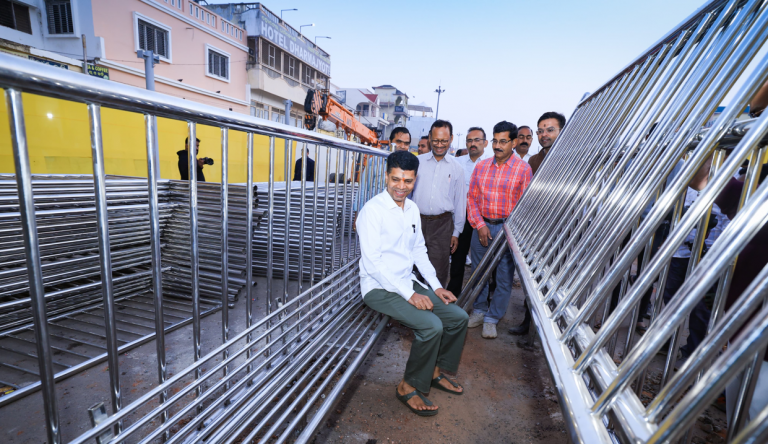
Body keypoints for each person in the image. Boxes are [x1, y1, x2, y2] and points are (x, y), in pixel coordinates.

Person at [356, 150, 468, 416]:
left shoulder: (412, 208)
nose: (401, 187)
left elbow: (419, 251)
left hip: (407, 281)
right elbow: (374, 264)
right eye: (395, 179)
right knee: (431, 326)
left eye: (407, 181)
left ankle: (434, 371)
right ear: (386, 176)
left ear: (415, 179)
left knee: (458, 318)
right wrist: (410, 294)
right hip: (378, 287)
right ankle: (408, 386)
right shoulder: (372, 211)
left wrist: (436, 286)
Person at [467, 121, 532, 339]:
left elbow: (524, 207)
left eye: (503, 141)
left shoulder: (523, 169)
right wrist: (480, 225)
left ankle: (492, 318)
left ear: (513, 142)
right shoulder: (481, 166)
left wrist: (507, 230)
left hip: (507, 231)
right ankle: (479, 310)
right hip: (481, 228)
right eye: (495, 141)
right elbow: (472, 199)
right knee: (478, 273)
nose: (497, 146)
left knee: (504, 277)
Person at [411, 120, 466, 287]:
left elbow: (460, 202)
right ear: (429, 138)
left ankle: (435, 309)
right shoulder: (417, 163)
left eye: (444, 141)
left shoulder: (457, 169)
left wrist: (456, 232)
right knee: (410, 266)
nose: (439, 145)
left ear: (450, 139)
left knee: (438, 271)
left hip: (442, 226)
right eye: (435, 141)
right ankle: (410, 307)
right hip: (416, 222)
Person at [447, 127, 493, 297]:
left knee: (483, 260)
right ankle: (454, 295)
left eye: (477, 140)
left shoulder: (491, 163)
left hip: (484, 219)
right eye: (469, 140)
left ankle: (482, 298)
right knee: (458, 257)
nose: (472, 144)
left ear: (485, 143)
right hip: (462, 216)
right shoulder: (457, 163)